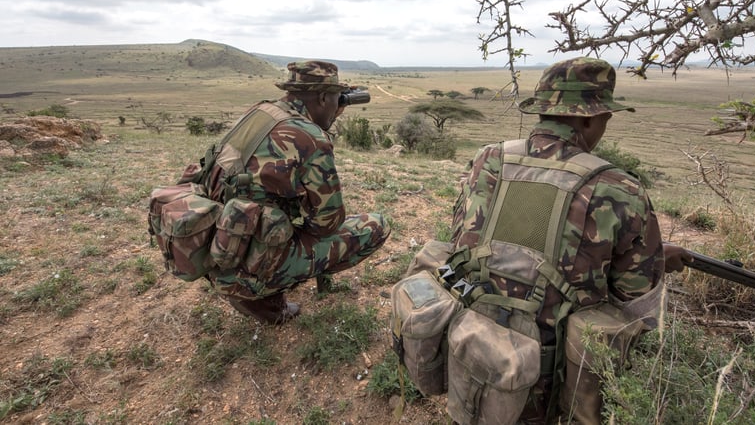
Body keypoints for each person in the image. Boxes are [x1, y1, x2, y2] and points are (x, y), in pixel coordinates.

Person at [448, 57, 689, 423]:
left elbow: (463, 241)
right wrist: (654, 260)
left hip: (471, 349)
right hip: (546, 382)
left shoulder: (488, 160)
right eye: (606, 118)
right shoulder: (619, 188)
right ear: (589, 118)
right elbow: (637, 307)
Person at [202, 60, 390, 324]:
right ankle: (262, 291)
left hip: (216, 247)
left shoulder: (261, 112)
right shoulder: (311, 138)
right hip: (246, 264)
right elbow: (328, 223)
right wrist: (318, 129)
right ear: (323, 97)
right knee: (376, 225)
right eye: (336, 99)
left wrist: (326, 114)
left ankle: (257, 282)